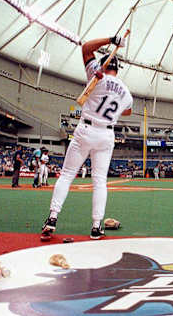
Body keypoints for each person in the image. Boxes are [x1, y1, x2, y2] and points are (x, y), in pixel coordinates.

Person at [41, 34, 132, 241]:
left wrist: (111, 39)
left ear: (103, 64)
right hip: (107, 134)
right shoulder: (127, 93)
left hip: (86, 129)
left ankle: (52, 219)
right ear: (117, 70)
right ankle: (96, 226)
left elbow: (86, 48)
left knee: (67, 175)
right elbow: (128, 111)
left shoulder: (96, 75)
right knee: (100, 182)